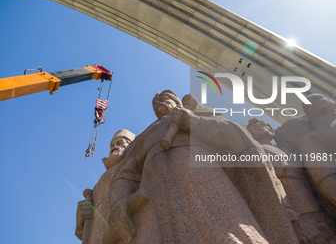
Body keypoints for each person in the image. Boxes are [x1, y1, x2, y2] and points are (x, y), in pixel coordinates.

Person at [103, 90, 299, 244]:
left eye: (164, 98)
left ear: (177, 102)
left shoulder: (199, 114)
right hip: (153, 197)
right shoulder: (146, 135)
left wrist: (193, 122)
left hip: (204, 181)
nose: (159, 105)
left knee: (228, 234)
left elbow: (237, 137)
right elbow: (125, 174)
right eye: (155, 104)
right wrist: (119, 200)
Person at [247, 118, 336, 243]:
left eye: (263, 124)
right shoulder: (258, 151)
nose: (260, 126)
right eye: (254, 127)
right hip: (302, 214)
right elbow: (268, 185)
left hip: (323, 210)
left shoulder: (292, 151)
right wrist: (296, 221)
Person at [75, 129, 136, 243]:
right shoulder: (99, 183)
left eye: (120, 142)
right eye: (112, 145)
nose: (114, 146)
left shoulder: (136, 166)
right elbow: (84, 231)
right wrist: (81, 221)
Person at [299, 94, 336, 212]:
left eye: (317, 98)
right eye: (308, 105)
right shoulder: (311, 137)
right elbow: (324, 176)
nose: (314, 102)